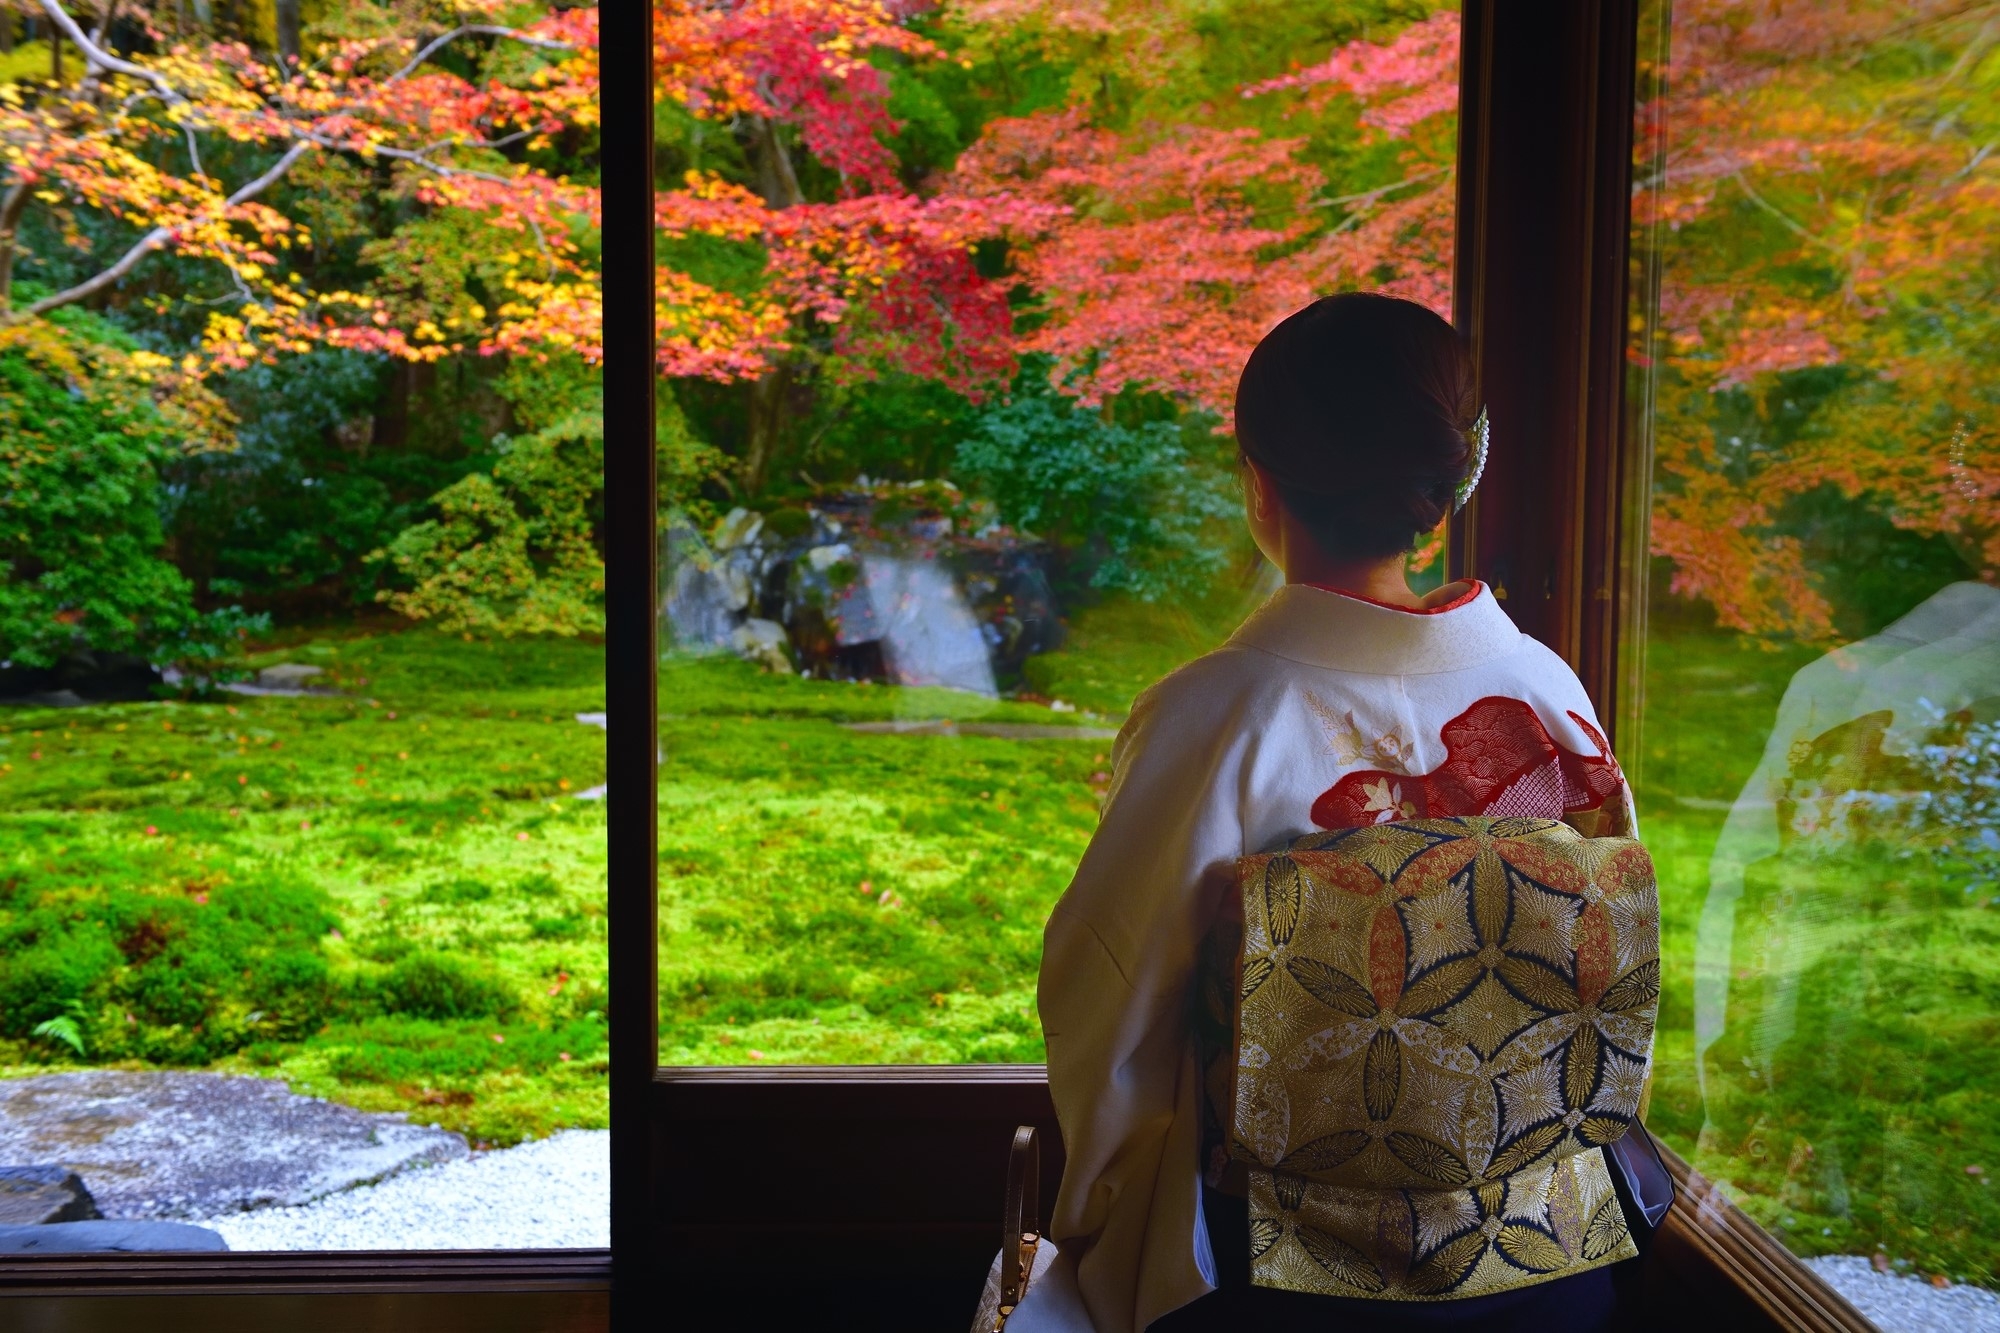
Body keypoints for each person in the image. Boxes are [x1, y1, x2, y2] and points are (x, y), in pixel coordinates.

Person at [1015, 293, 1639, 1333]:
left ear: (1258, 481)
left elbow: (1107, 999)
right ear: (1441, 491)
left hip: (1280, 1271)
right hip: (1545, 1252)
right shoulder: (1545, 690)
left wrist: (1095, 1210)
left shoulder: (1217, 714)